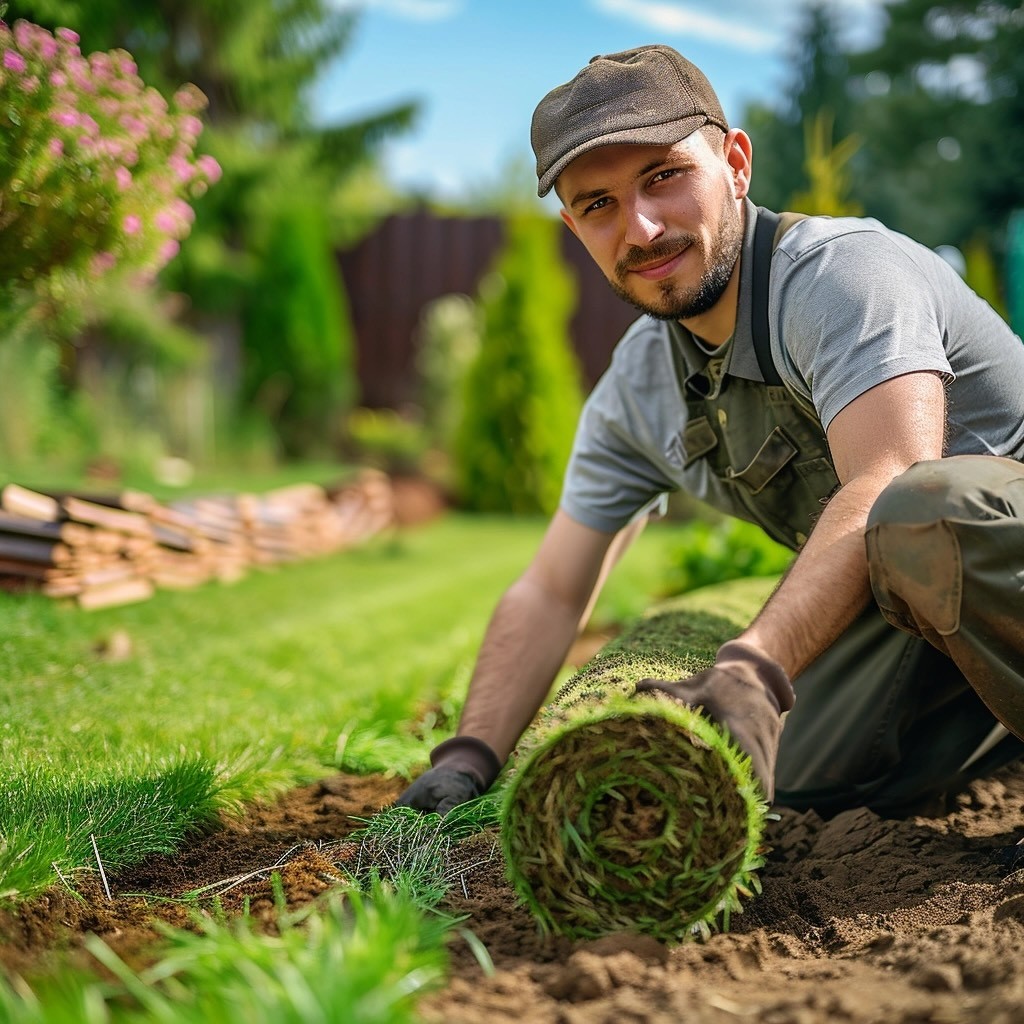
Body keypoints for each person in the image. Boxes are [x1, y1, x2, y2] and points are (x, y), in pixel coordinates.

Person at [397, 44, 1024, 818]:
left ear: (735, 163)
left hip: (998, 551)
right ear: (573, 226)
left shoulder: (840, 278)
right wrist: (469, 757)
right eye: (599, 205)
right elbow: (554, 589)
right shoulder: (639, 388)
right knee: (788, 779)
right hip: (947, 619)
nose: (643, 227)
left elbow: (886, 476)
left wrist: (754, 668)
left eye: (664, 175)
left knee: (928, 505)